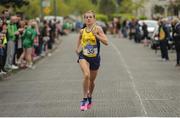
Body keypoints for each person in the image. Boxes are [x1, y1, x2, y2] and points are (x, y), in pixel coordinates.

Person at [75, 10, 108, 111]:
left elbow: (106, 42)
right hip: (84, 56)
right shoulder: (82, 31)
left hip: (95, 58)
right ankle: (84, 98)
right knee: (86, 75)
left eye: (90, 17)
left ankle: (89, 96)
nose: (88, 19)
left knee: (92, 81)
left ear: (94, 19)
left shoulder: (98, 29)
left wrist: (96, 35)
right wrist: (77, 50)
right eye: (86, 17)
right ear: (84, 19)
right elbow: (79, 42)